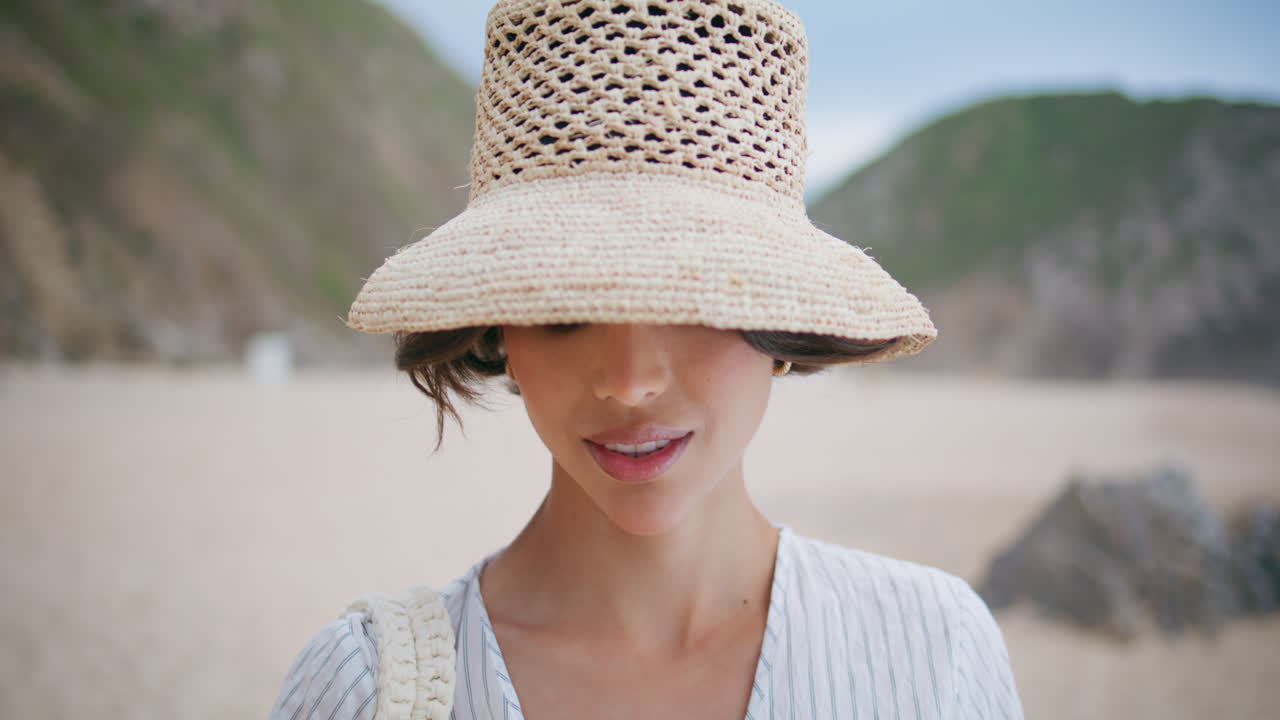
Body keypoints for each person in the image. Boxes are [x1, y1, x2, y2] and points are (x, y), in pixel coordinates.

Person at [269, 0, 1024, 718]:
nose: (629, 382)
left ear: (781, 327)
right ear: (500, 331)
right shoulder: (369, 689)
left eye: (696, 300)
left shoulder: (933, 652)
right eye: (564, 311)